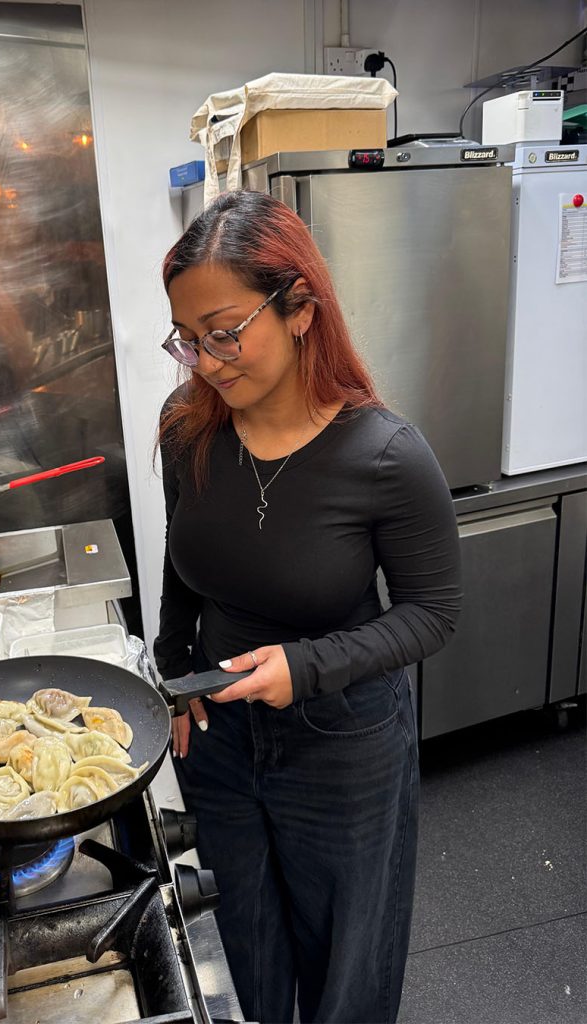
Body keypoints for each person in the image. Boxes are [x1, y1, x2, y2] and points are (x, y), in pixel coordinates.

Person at [153, 190, 463, 1024]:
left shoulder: (384, 453)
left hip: (343, 744)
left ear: (298, 309)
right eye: (188, 339)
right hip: (216, 735)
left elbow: (433, 611)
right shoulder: (187, 431)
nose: (207, 360)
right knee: (244, 944)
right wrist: (172, 670)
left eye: (224, 331)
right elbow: (183, 567)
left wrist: (309, 664)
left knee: (344, 964)